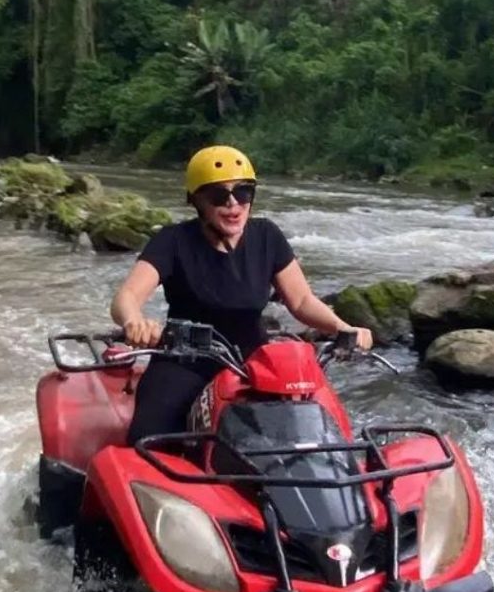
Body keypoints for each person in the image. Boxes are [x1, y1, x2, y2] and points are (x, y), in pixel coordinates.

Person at [110, 144, 373, 443]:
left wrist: (344, 328)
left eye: (243, 192)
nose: (233, 204)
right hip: (185, 360)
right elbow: (127, 296)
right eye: (219, 195)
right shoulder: (172, 241)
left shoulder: (267, 236)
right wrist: (134, 321)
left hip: (257, 361)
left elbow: (301, 301)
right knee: (149, 438)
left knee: (321, 429)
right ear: (197, 201)